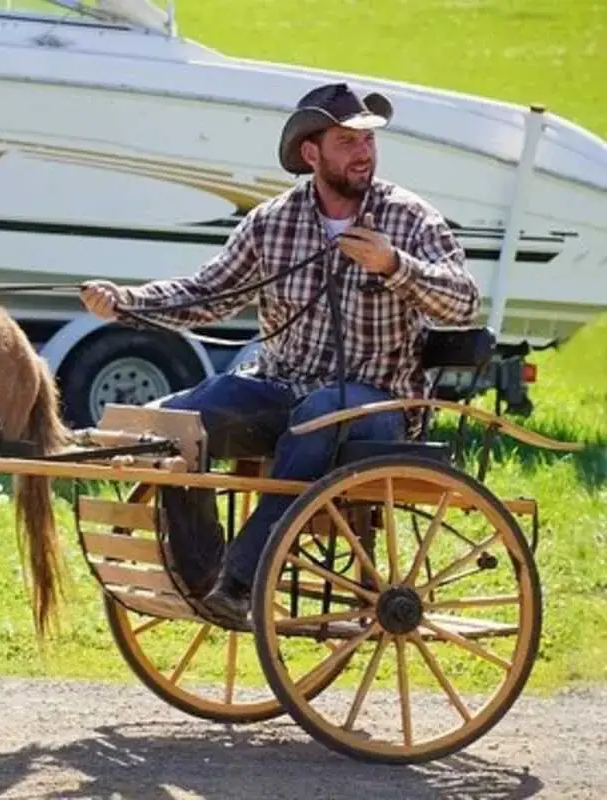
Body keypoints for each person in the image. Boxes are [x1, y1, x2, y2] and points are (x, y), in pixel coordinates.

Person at [80, 81, 481, 629]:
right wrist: (127, 303)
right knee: (170, 424)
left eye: (368, 140)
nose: (364, 153)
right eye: (347, 141)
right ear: (310, 153)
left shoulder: (410, 219)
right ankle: (204, 576)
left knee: (320, 414)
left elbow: (463, 302)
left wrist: (396, 266)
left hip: (379, 407)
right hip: (283, 388)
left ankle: (245, 579)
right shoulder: (272, 222)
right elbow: (208, 294)